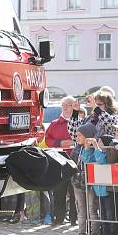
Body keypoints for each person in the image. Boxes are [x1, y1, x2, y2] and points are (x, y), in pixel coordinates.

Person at [77, 124, 113, 235]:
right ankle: (83, 233)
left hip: (98, 186)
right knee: (83, 209)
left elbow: (100, 162)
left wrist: (94, 147)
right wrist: (86, 148)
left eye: (79, 135)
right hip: (82, 183)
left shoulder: (98, 149)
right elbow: (86, 161)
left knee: (96, 210)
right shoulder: (79, 148)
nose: (77, 138)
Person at [45, 96, 77, 224]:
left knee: (74, 192)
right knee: (59, 192)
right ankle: (59, 218)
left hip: (75, 160)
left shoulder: (78, 122)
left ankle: (75, 219)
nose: (65, 107)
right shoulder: (54, 124)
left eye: (68, 104)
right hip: (59, 161)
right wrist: (59, 142)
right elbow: (47, 140)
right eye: (63, 104)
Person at [70, 124, 101, 235]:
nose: (77, 138)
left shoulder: (94, 148)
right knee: (81, 210)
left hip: (90, 183)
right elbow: (72, 163)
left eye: (80, 135)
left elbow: (90, 161)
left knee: (92, 209)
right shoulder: (76, 148)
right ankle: (81, 234)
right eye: (77, 135)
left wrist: (88, 149)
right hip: (78, 183)